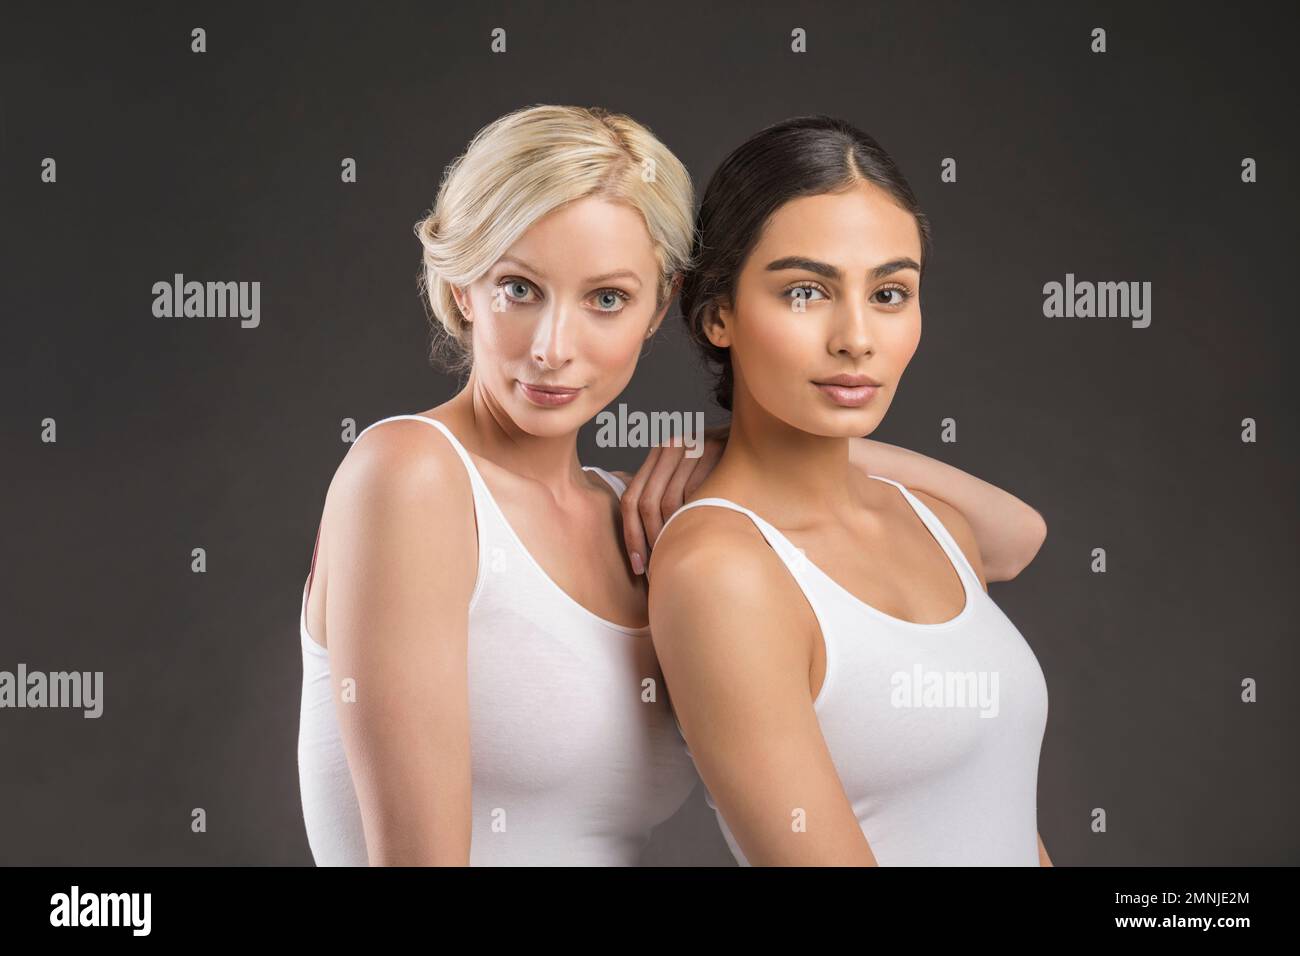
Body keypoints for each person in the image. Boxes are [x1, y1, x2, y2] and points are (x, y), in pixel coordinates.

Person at [297, 104, 1045, 866]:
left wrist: (759, 446)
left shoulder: (637, 516)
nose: (554, 348)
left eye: (607, 299)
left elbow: (1010, 538)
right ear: (462, 288)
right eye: (519, 288)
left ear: (660, 307)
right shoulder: (410, 475)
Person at [647, 115, 1053, 866]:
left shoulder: (935, 526)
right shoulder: (721, 571)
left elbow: (998, 822)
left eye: (891, 293)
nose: (857, 338)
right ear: (718, 315)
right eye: (807, 292)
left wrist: (813, 443)